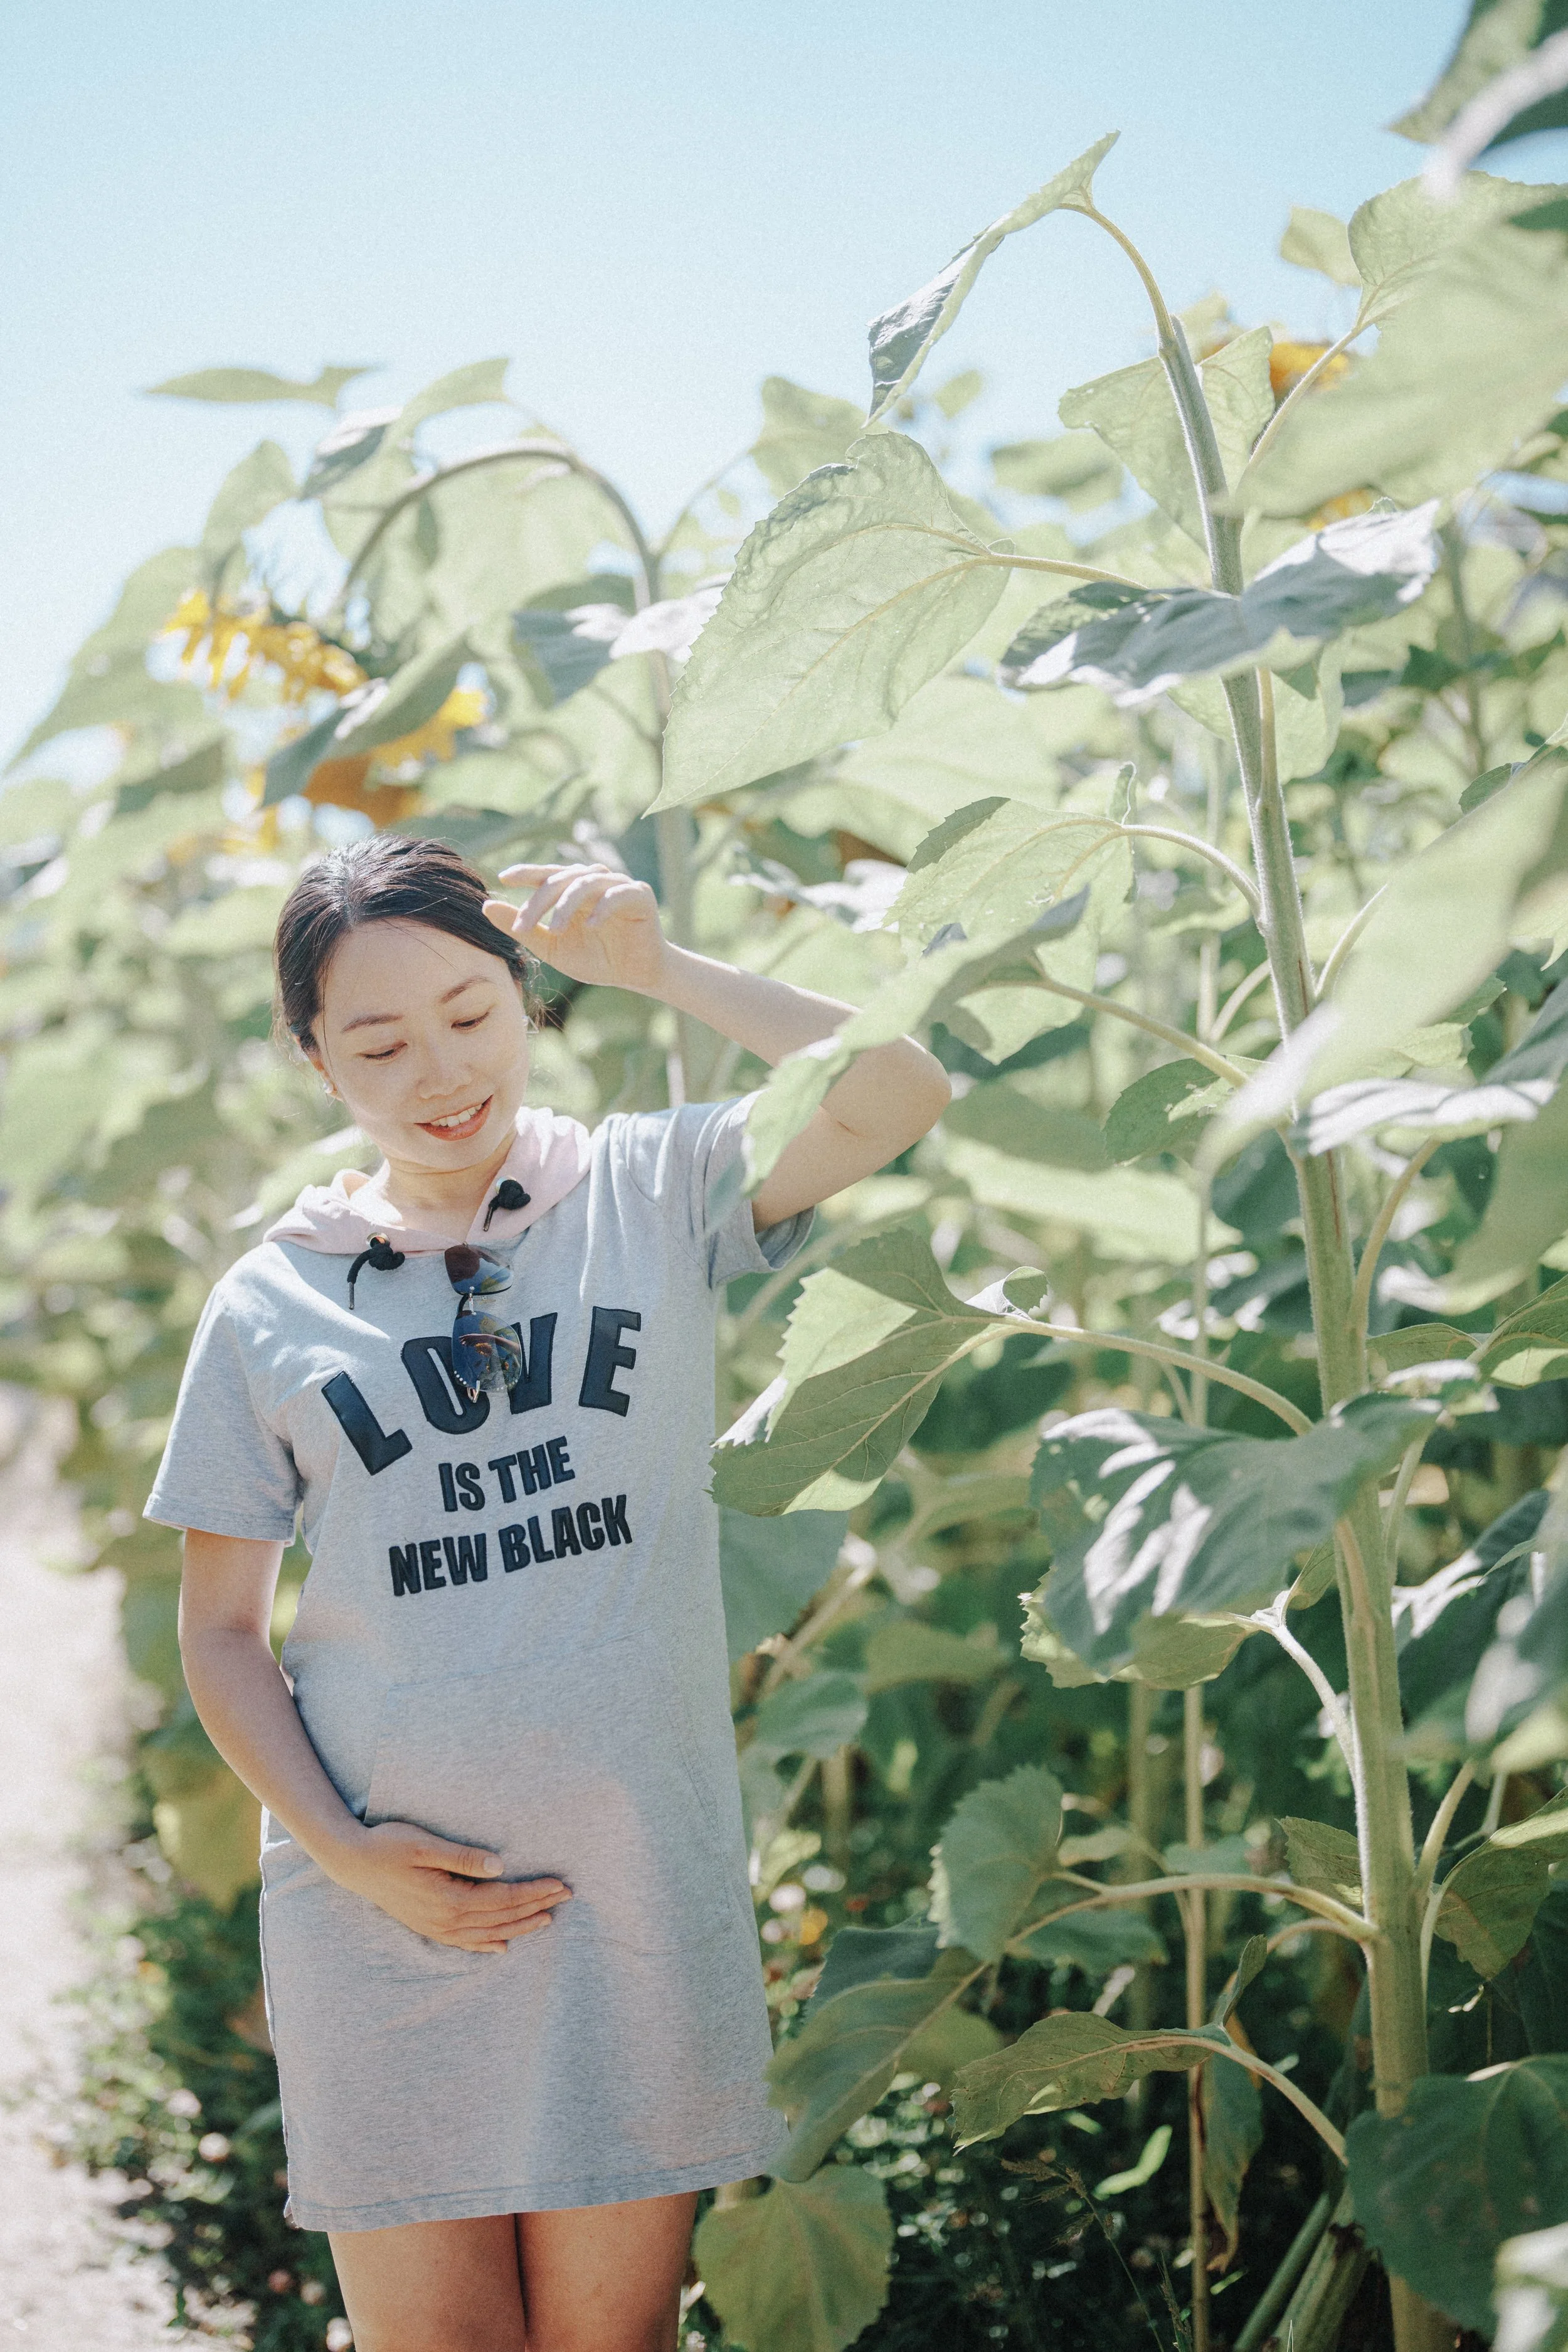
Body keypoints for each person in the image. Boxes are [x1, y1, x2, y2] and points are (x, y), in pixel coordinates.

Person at [149, 834, 950, 2352]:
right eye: (377, 1042)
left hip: (629, 1897)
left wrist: (663, 969)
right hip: (382, 1912)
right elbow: (220, 1631)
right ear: (319, 1064)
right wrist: (348, 1851)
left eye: (470, 1013)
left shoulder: (650, 1188)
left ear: (527, 1002)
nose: (438, 1070)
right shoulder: (268, 1302)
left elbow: (895, 1093)